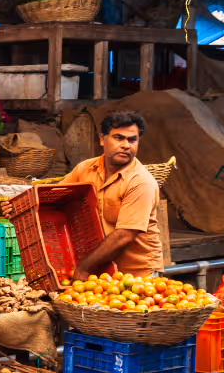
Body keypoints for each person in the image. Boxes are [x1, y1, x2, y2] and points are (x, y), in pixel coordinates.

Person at [61, 110, 164, 280]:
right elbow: (54, 197)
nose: (126, 145)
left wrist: (85, 268)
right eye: (118, 138)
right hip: (100, 267)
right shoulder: (85, 169)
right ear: (103, 139)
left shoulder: (141, 182)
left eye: (132, 140)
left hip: (137, 274)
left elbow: (124, 235)